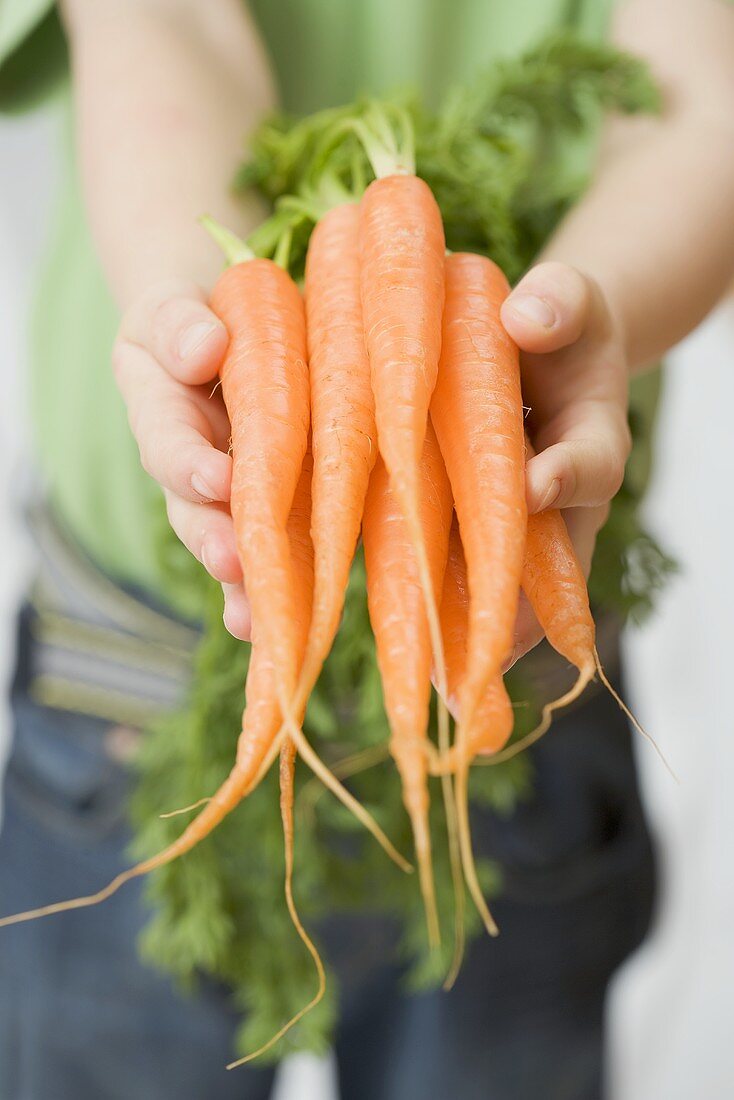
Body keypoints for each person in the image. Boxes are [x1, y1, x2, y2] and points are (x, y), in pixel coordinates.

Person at [1, 1, 733, 1098]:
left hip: (508, 679)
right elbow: (167, 25)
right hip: (130, 680)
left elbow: (691, 97)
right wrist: (192, 304)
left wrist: (601, 308)